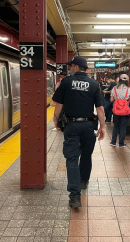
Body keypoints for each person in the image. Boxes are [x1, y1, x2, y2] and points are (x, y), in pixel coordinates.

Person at [52, 56, 106, 208]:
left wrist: (55, 119)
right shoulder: (94, 84)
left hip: (72, 125)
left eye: (71, 66)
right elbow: (100, 108)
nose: (70, 68)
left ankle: (75, 197)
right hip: (89, 126)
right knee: (86, 155)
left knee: (72, 159)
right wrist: (102, 127)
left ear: (75, 67)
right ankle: (83, 181)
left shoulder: (66, 82)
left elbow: (59, 104)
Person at [110, 74, 130, 148]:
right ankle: (121, 143)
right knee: (123, 127)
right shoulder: (128, 89)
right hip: (125, 111)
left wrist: (117, 99)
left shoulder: (114, 88)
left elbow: (111, 100)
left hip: (116, 110)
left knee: (116, 126)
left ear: (119, 80)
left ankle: (113, 142)